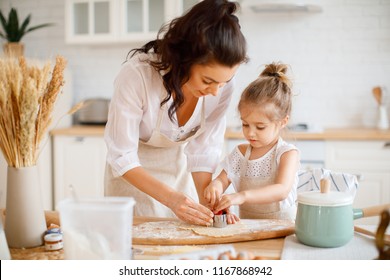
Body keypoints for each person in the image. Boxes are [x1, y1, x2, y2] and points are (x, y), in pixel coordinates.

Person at [104, 0, 248, 226]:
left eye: (223, 82)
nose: (215, 91)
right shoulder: (137, 76)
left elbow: (204, 150)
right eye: (207, 81)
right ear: (185, 59)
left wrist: (210, 203)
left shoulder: (222, 87)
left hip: (177, 177)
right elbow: (122, 156)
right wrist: (171, 199)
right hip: (132, 180)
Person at [204, 62, 300, 223]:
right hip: (249, 229)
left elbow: (282, 190)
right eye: (245, 124)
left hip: (284, 228)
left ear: (283, 122)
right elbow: (222, 179)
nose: (250, 132)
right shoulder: (240, 153)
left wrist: (242, 196)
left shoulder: (287, 153)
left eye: (260, 127)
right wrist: (215, 186)